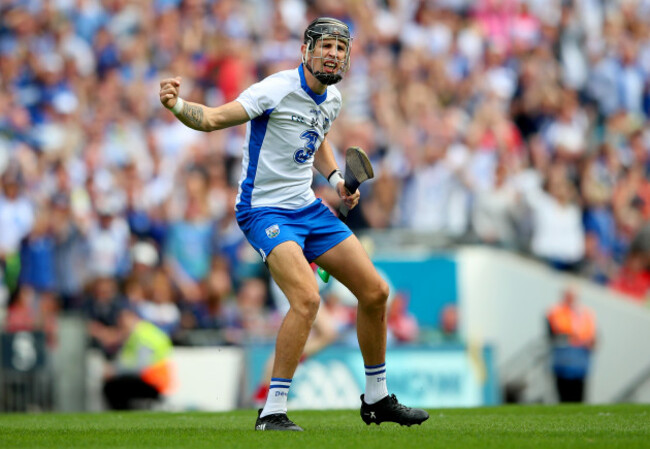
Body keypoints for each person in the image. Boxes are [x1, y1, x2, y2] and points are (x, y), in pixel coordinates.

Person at [159, 17, 428, 431]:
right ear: (307, 49)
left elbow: (316, 137)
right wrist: (177, 105)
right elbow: (212, 120)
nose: (333, 54)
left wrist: (337, 179)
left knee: (375, 292)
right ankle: (272, 411)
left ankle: (376, 399)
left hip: (307, 208)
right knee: (307, 299)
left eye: (340, 48)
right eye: (326, 46)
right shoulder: (276, 88)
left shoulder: (332, 99)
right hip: (262, 211)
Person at [102, 307, 174, 410]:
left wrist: (115, 371)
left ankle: (122, 418)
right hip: (152, 379)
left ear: (133, 318)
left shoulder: (143, 335)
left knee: (111, 387)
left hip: (152, 380)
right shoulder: (139, 334)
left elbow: (140, 366)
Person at [546, 286, 597, 403]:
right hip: (562, 359)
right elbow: (553, 333)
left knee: (579, 395)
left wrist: (589, 342)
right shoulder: (555, 311)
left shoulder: (585, 313)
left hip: (580, 360)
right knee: (563, 395)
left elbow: (592, 336)